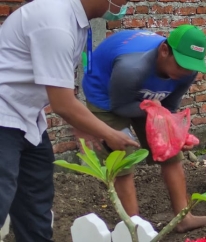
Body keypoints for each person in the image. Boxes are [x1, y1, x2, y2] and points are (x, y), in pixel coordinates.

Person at [0, 0, 139, 241]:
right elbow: (63, 103)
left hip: (28, 118)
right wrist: (109, 133)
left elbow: (58, 84)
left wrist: (81, 125)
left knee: (35, 203)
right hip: (4, 118)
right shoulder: (56, 23)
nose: (123, 5)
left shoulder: (74, 22)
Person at [80, 24, 206, 232]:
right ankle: (134, 227)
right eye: (181, 64)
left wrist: (173, 132)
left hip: (146, 98)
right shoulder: (132, 68)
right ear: (164, 51)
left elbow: (170, 106)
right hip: (107, 97)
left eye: (190, 66)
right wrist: (154, 111)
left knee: (171, 151)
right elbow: (119, 106)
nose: (185, 72)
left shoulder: (188, 72)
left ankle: (184, 218)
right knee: (123, 155)